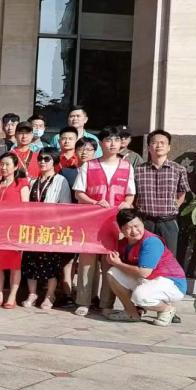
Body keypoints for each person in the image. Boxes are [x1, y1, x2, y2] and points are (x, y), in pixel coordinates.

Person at [73, 125, 136, 317]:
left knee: (110, 262)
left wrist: (126, 204)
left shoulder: (127, 166)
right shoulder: (89, 165)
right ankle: (83, 301)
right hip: (91, 223)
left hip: (115, 224)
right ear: (101, 143)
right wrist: (94, 202)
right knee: (87, 263)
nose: (113, 144)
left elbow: (130, 194)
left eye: (116, 140)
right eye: (108, 140)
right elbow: (79, 193)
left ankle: (106, 303)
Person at [106, 209, 187, 327]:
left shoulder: (151, 241)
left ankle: (166, 309)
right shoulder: (123, 243)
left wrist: (118, 263)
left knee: (140, 296)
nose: (134, 231)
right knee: (113, 273)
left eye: (137, 226)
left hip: (172, 283)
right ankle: (131, 313)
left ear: (142, 224)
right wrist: (116, 262)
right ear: (121, 229)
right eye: (129, 228)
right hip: (149, 280)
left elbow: (144, 273)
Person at [21, 148, 73, 310]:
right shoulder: (33, 181)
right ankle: (32, 294)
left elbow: (65, 206)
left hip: (51, 229)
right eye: (40, 159)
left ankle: (50, 295)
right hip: (32, 229)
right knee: (30, 262)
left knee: (50, 264)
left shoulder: (61, 181)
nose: (42, 162)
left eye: (47, 159)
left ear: (55, 162)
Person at [134, 129, 190, 254]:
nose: (158, 146)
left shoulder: (178, 169)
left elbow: (182, 193)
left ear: (169, 147)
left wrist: (172, 207)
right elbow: (133, 194)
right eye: (154, 143)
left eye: (162, 143)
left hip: (168, 223)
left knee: (168, 257)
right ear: (149, 147)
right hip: (145, 222)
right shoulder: (138, 170)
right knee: (145, 256)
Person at [0, 152, 30, 308]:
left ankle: (12, 296)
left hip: (15, 230)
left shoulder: (22, 184)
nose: (4, 167)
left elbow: (26, 208)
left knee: (15, 264)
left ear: (16, 167)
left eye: (7, 164)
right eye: (2, 164)